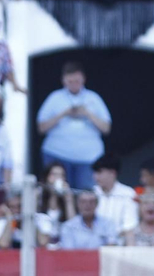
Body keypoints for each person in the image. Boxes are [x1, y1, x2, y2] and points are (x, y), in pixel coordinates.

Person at [36, 62, 111, 191]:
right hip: (57, 156)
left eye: (77, 81)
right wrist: (64, 113)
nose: (74, 84)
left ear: (83, 79)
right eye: (70, 81)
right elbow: (41, 128)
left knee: (86, 195)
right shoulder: (55, 98)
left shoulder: (94, 98)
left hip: (88, 159)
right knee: (56, 193)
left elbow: (106, 128)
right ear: (63, 80)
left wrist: (87, 113)